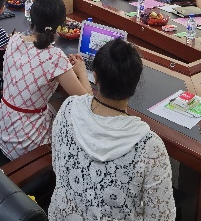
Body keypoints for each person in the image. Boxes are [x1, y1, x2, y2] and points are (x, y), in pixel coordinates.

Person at [48, 38, 175, 221]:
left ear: (96, 77)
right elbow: (162, 217)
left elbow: (57, 165)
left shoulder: (69, 107)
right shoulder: (150, 146)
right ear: (135, 85)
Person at [0, 0, 92, 160]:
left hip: (3, 129)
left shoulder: (14, 39)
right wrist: (81, 71)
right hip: (27, 145)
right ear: (60, 25)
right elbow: (87, 102)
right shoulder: (55, 57)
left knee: (57, 104)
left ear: (31, 18)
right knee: (76, 117)